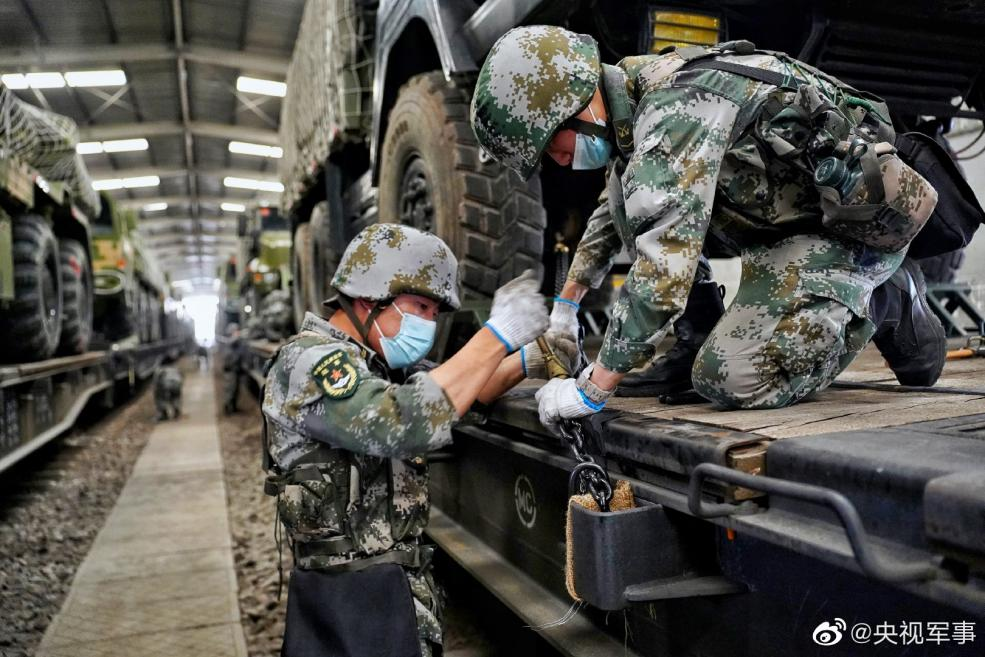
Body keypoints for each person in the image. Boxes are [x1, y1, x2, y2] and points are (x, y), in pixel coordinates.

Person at [470, 26, 945, 433]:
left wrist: (593, 388)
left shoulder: (675, 109)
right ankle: (692, 336)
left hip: (849, 233)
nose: (559, 162)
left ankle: (885, 297)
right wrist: (567, 307)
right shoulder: (630, 92)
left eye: (552, 145)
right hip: (783, 226)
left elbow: (662, 272)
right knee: (626, 186)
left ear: (573, 104)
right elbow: (613, 210)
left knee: (733, 376)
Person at [261, 223, 548, 657]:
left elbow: (465, 393)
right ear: (367, 298)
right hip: (346, 597)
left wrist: (533, 356)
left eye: (435, 313)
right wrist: (498, 333)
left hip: (390, 588)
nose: (428, 324)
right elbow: (401, 419)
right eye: (420, 306)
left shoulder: (375, 365)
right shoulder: (310, 360)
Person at [220, 323, 244, 414]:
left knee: (235, 390)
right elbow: (233, 341)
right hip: (230, 370)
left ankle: (233, 407)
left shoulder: (233, 342)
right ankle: (227, 408)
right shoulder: (229, 341)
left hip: (235, 369)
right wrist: (237, 335)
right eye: (236, 331)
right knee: (230, 389)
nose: (238, 332)